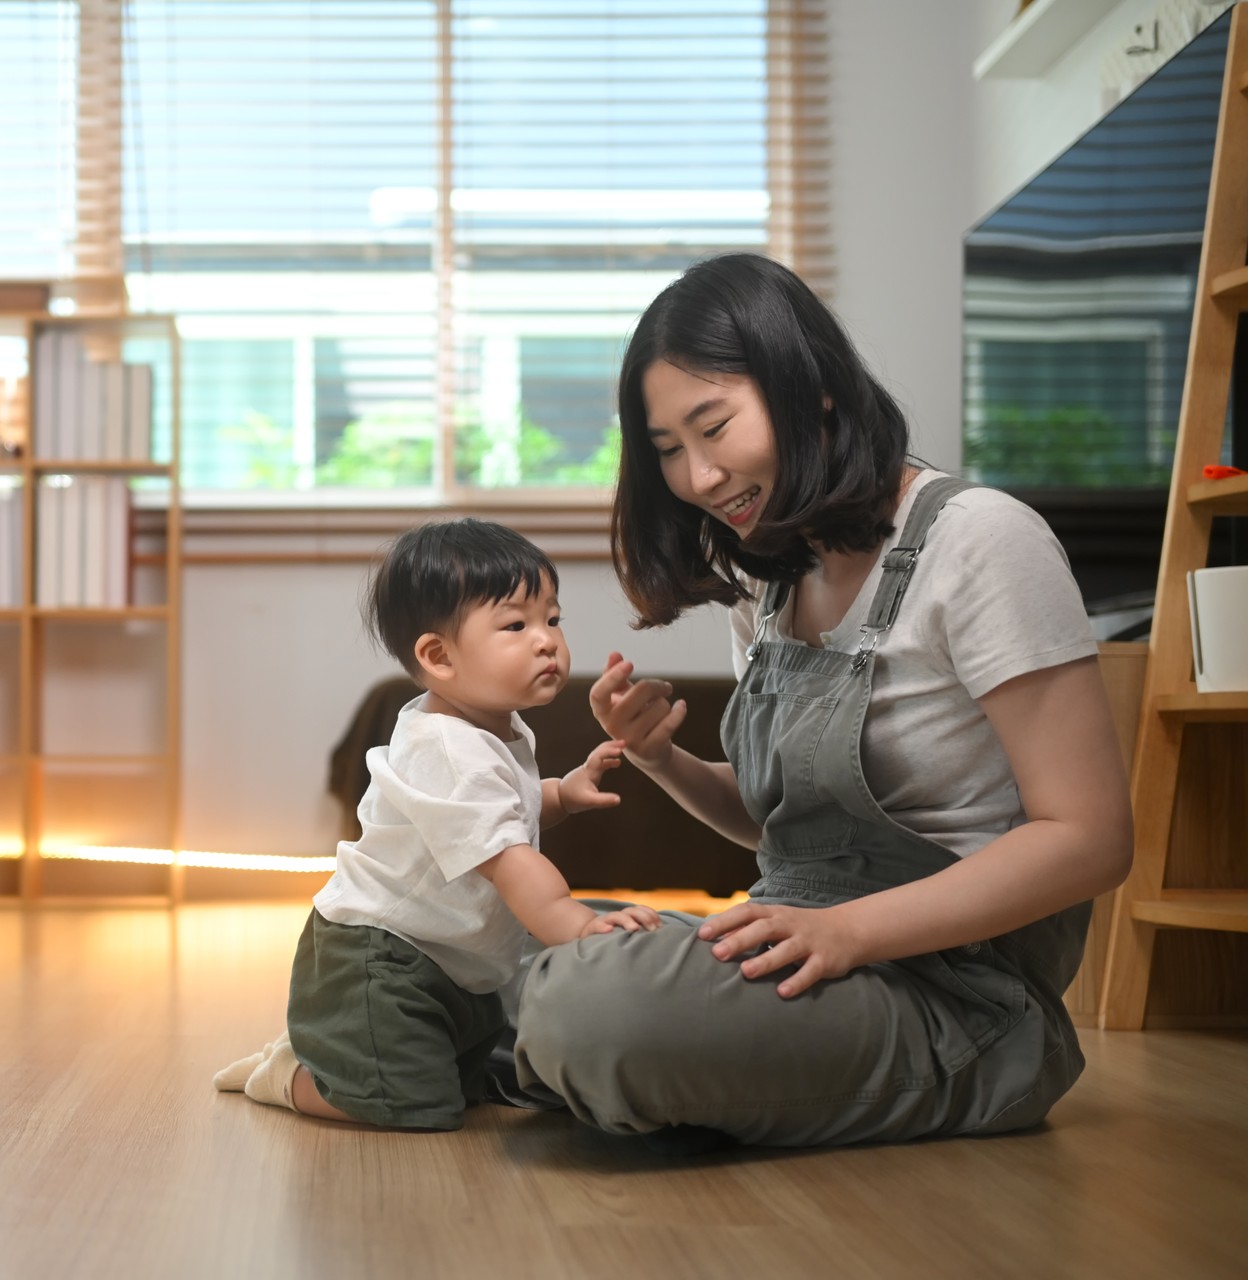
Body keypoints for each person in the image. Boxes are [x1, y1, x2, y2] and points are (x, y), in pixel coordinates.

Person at [507, 252, 1134, 1149]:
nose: (698, 478)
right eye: (669, 452)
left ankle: (515, 1050)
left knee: (591, 1004)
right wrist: (661, 759)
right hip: (807, 952)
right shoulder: (771, 577)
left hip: (961, 1001)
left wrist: (849, 932)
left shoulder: (985, 540)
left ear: (813, 389)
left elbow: (1091, 839)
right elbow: (787, 835)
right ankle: (510, 1037)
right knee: (509, 941)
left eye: (713, 427)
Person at [214, 517, 657, 1130]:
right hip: (381, 958)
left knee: (467, 1089)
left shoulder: (495, 728)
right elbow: (508, 859)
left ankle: (353, 1065)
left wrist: (560, 793)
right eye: (515, 625)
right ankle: (293, 1076)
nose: (546, 640)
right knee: (416, 1108)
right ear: (438, 656)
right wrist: (579, 925)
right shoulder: (449, 748)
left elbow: (504, 813)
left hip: (456, 958)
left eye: (552, 619)